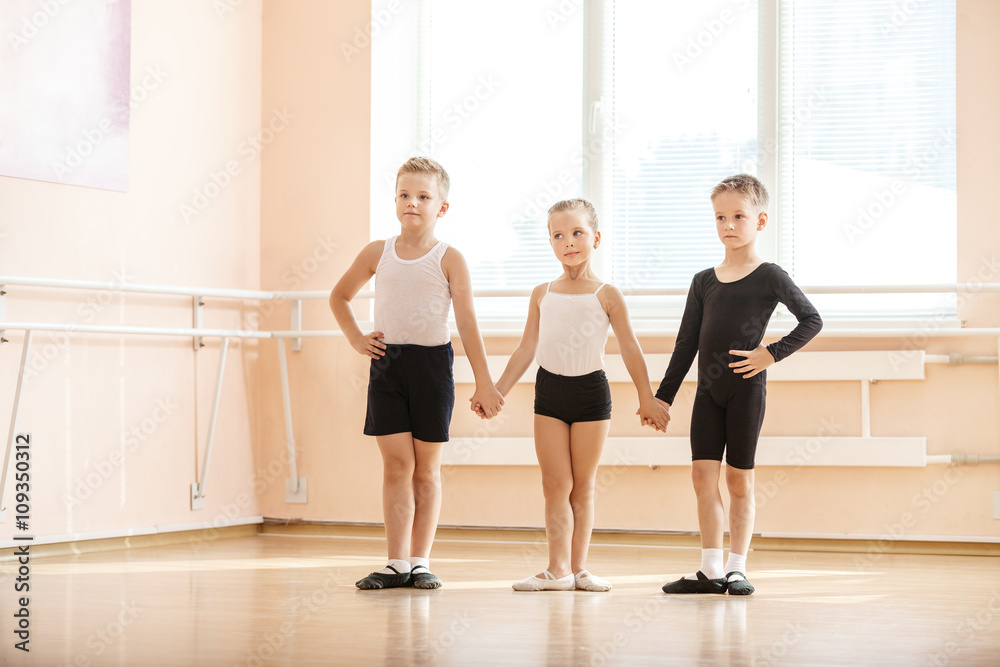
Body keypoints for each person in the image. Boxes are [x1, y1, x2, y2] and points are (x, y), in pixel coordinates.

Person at [478, 198, 670, 592]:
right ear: (550, 242)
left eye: (577, 233)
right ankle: (556, 569)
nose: (568, 242)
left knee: (583, 485)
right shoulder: (541, 293)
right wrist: (496, 391)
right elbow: (526, 349)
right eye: (558, 235)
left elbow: (630, 348)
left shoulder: (608, 294)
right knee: (554, 485)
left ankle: (579, 569)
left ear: (595, 238)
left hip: (590, 394)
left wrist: (646, 397)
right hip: (549, 393)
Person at [330, 157, 504, 590]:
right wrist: (356, 338)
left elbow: (466, 323)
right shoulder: (377, 252)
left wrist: (484, 382)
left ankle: (420, 561)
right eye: (405, 195)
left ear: (441, 207)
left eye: (423, 197)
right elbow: (339, 296)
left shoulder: (450, 259)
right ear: (394, 201)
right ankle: (395, 563)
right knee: (396, 465)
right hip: (387, 365)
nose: (412, 203)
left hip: (431, 367)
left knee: (425, 470)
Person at [651, 174, 822, 596]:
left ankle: (737, 568)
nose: (728, 225)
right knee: (701, 477)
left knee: (738, 481)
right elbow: (686, 342)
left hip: (746, 391)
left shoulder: (769, 276)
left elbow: (812, 320)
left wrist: (772, 353)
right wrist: (662, 397)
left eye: (738, 216)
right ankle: (709, 570)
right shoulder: (703, 281)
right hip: (708, 393)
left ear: (760, 221)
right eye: (720, 217)